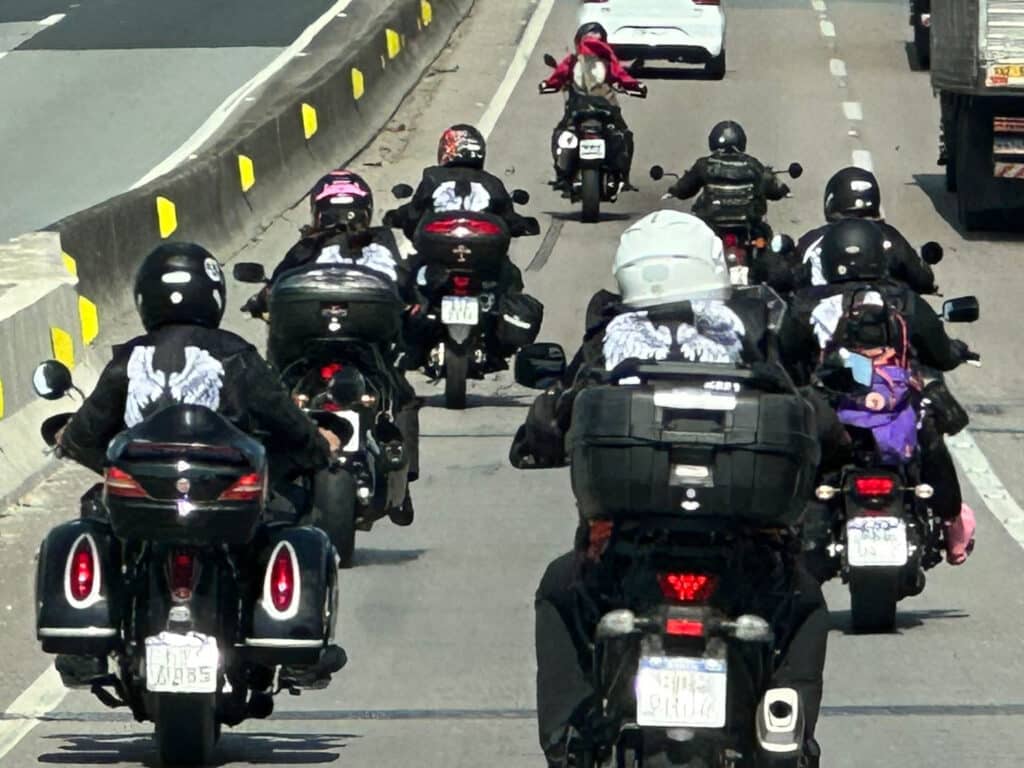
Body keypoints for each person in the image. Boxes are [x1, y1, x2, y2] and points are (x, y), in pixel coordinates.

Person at [512, 211, 840, 768]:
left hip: (623, 555)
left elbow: (550, 420)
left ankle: (568, 738)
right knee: (807, 604)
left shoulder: (610, 340)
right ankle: (785, 724)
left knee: (558, 590)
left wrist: (539, 439)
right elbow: (815, 420)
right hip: (750, 558)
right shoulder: (754, 333)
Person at [52, 241, 340, 686]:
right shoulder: (236, 354)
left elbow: (87, 433)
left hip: (146, 497)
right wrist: (318, 445)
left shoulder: (131, 358)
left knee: (97, 515)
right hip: (224, 494)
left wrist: (73, 443)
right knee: (292, 515)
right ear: (214, 295)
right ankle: (294, 644)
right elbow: (288, 423)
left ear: (145, 297)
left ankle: (87, 650)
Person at [787, 218, 976, 559]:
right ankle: (953, 526)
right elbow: (940, 352)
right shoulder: (902, 299)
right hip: (893, 408)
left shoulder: (805, 303)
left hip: (833, 414)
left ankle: (786, 532)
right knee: (930, 430)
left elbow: (785, 355)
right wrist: (954, 353)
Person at [242, 169, 421, 522]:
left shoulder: (307, 247)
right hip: (363, 344)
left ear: (317, 210)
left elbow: (273, 289)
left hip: (309, 344)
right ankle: (403, 485)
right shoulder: (381, 243)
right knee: (400, 393)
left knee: (275, 388)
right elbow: (405, 286)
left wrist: (257, 304)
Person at [539, 23, 647, 193]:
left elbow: (557, 77)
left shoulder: (573, 60)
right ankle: (624, 178)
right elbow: (623, 77)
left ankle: (562, 176)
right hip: (607, 109)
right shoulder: (607, 61)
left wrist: (546, 84)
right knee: (624, 135)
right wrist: (637, 86)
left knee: (560, 133)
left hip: (578, 108)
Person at [796, 167, 937, 294]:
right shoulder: (890, 238)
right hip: (881, 316)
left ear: (831, 200)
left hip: (820, 318)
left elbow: (791, 278)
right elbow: (922, 280)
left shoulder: (812, 240)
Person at [663, 121, 790, 236]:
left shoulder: (705, 165)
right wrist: (783, 190)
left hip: (713, 224)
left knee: (694, 238)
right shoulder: (753, 165)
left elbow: (686, 188)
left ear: (713, 141)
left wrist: (674, 191)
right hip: (747, 226)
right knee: (765, 240)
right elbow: (770, 186)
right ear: (741, 142)